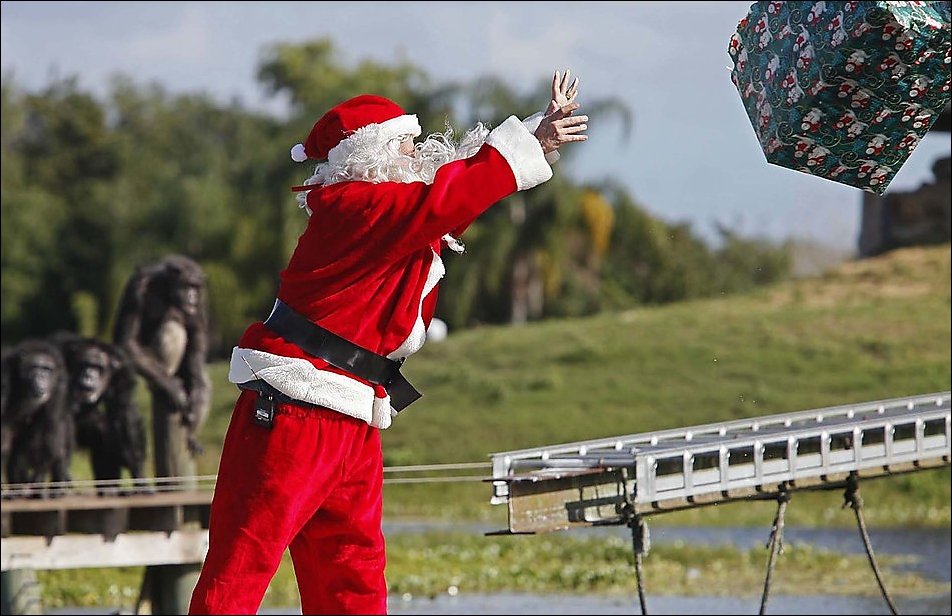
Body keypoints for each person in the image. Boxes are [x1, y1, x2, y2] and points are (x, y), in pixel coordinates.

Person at [188, 69, 587, 615]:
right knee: (241, 566)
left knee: (353, 579)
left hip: (351, 414)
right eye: (404, 145)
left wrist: (533, 138)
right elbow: (444, 198)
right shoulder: (356, 205)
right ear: (368, 156)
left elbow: (450, 200)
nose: (417, 154)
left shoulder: (389, 216)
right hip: (292, 412)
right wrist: (527, 143)